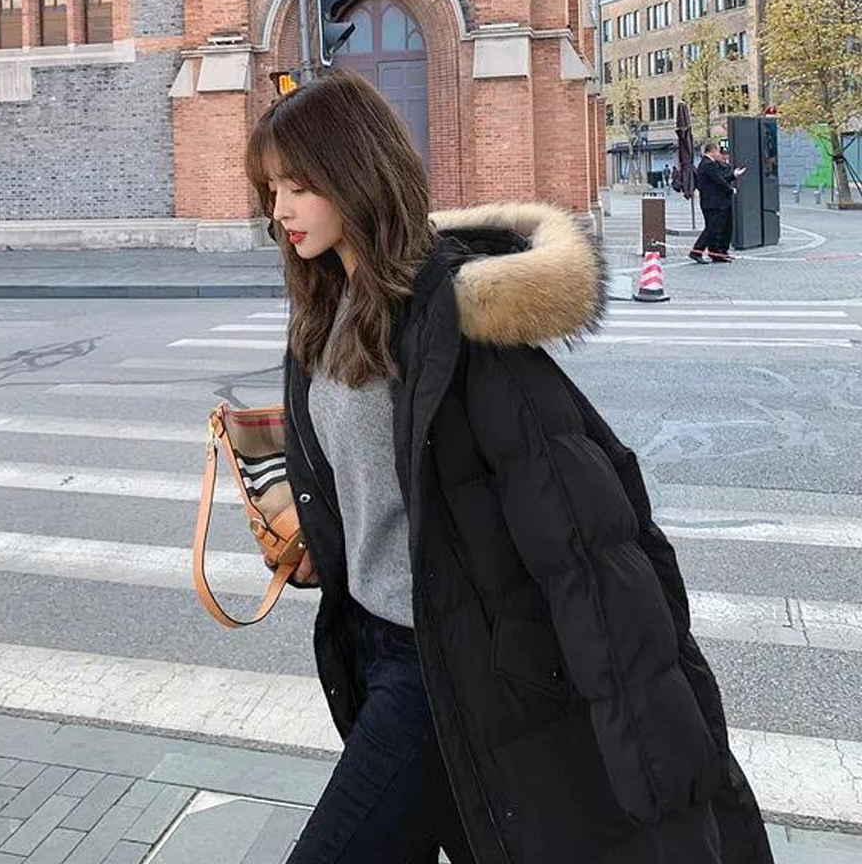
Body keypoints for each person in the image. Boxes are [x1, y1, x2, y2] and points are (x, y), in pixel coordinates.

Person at [246, 71, 772, 864]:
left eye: (301, 185)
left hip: (445, 665)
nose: (281, 209)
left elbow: (586, 538)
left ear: (357, 173)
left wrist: (658, 751)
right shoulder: (325, 308)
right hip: (375, 647)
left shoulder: (456, 321)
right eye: (272, 188)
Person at [691, 142, 747, 264]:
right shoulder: (708, 164)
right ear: (712, 151)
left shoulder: (708, 164)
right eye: (717, 151)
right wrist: (731, 189)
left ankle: (717, 253)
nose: (719, 154)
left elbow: (720, 178)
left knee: (718, 229)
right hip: (713, 203)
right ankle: (696, 251)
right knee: (711, 229)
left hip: (715, 202)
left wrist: (734, 175)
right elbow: (719, 181)